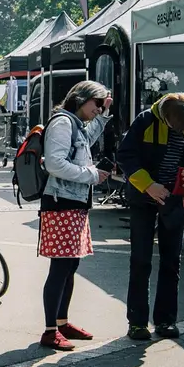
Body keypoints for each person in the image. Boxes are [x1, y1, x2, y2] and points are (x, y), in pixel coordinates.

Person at [117, 92, 184, 341]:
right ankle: (137, 323)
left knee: (172, 261)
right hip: (144, 198)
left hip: (176, 199)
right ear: (165, 116)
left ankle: (166, 321)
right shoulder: (145, 120)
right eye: (175, 128)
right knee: (141, 260)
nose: (183, 131)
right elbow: (125, 155)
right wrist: (148, 185)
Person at [36, 82, 112, 351]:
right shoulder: (63, 123)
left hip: (72, 202)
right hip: (61, 202)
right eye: (97, 104)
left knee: (70, 266)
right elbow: (55, 163)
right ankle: (50, 330)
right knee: (60, 267)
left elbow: (85, 141)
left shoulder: (75, 122)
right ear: (81, 98)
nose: (98, 109)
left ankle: (61, 321)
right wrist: (92, 175)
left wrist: (102, 116)